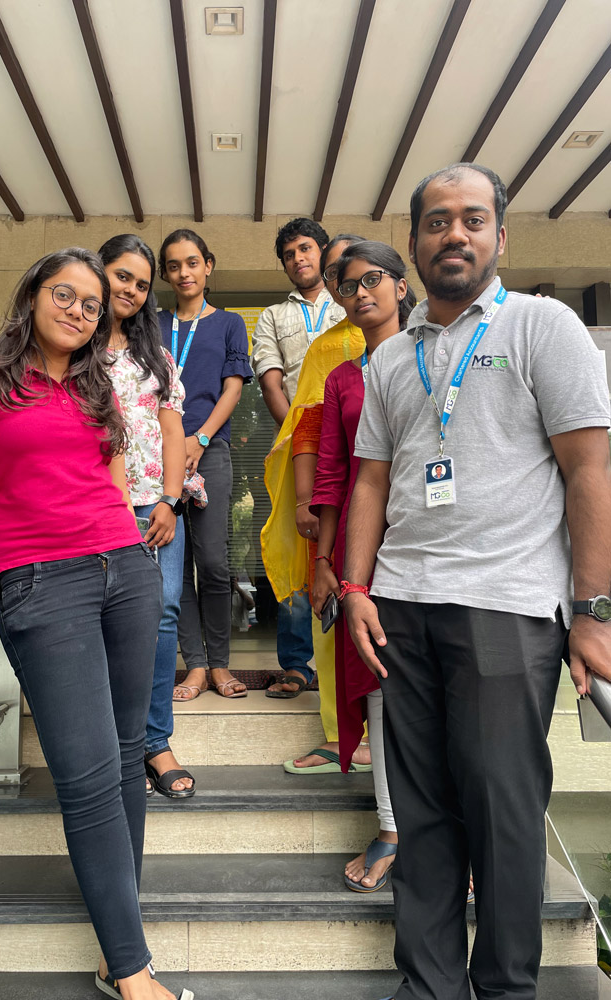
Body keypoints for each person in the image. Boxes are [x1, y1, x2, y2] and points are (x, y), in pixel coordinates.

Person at [342, 163, 611, 1000]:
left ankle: (503, 989)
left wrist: (593, 612)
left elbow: (591, 469)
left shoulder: (542, 326)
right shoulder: (393, 358)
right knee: (420, 815)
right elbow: (371, 482)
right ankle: (428, 987)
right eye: (436, 221)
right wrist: (355, 588)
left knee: (502, 810)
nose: (453, 233)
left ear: (500, 234)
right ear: (414, 241)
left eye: (471, 218)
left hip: (508, 605)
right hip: (401, 607)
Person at [0, 248, 192, 1000]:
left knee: (128, 756)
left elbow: (111, 479)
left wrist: (131, 551)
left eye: (91, 303)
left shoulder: (95, 382)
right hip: (42, 584)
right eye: (64, 294)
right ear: (33, 296)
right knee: (87, 774)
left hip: (125, 571)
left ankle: (119, 955)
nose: (78, 310)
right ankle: (134, 973)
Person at [310, 241, 416, 891]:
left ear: (402, 285)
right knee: (377, 678)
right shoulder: (342, 379)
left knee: (440, 682)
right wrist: (325, 561)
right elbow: (330, 475)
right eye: (347, 287)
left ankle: (451, 832)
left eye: (372, 279)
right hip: (361, 544)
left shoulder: (436, 356)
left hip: (432, 537)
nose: (360, 294)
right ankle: (392, 828)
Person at [261, 234, 371, 775]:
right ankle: (340, 735)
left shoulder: (422, 337)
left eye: (363, 275)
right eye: (338, 276)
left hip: (410, 504)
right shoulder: (327, 349)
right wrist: (307, 501)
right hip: (339, 499)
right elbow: (307, 429)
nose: (353, 287)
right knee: (332, 609)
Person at [98, 234, 193, 801]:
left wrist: (170, 500)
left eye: (141, 283)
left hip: (154, 505)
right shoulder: (74, 349)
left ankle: (155, 741)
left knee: (161, 615)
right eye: (121, 276)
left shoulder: (155, 356)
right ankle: (111, 742)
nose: (131, 290)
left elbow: (172, 430)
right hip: (94, 507)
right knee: (105, 622)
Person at [253, 219, 346, 701]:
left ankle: (346, 659)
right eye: (289, 254)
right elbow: (271, 382)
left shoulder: (349, 300)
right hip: (297, 444)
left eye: (305, 249)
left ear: (323, 251)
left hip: (353, 439)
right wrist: (300, 436)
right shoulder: (272, 315)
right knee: (296, 546)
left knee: (346, 543)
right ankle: (295, 664)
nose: (298, 259)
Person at [157, 229, 253, 700]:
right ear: (165, 274)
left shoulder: (230, 323)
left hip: (208, 448)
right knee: (175, 565)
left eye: (192, 262)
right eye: (174, 265)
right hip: (158, 451)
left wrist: (199, 438)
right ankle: (194, 665)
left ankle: (219, 663)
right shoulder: (151, 324)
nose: (184, 273)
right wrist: (176, 444)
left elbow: (232, 388)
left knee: (213, 561)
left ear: (208, 265)